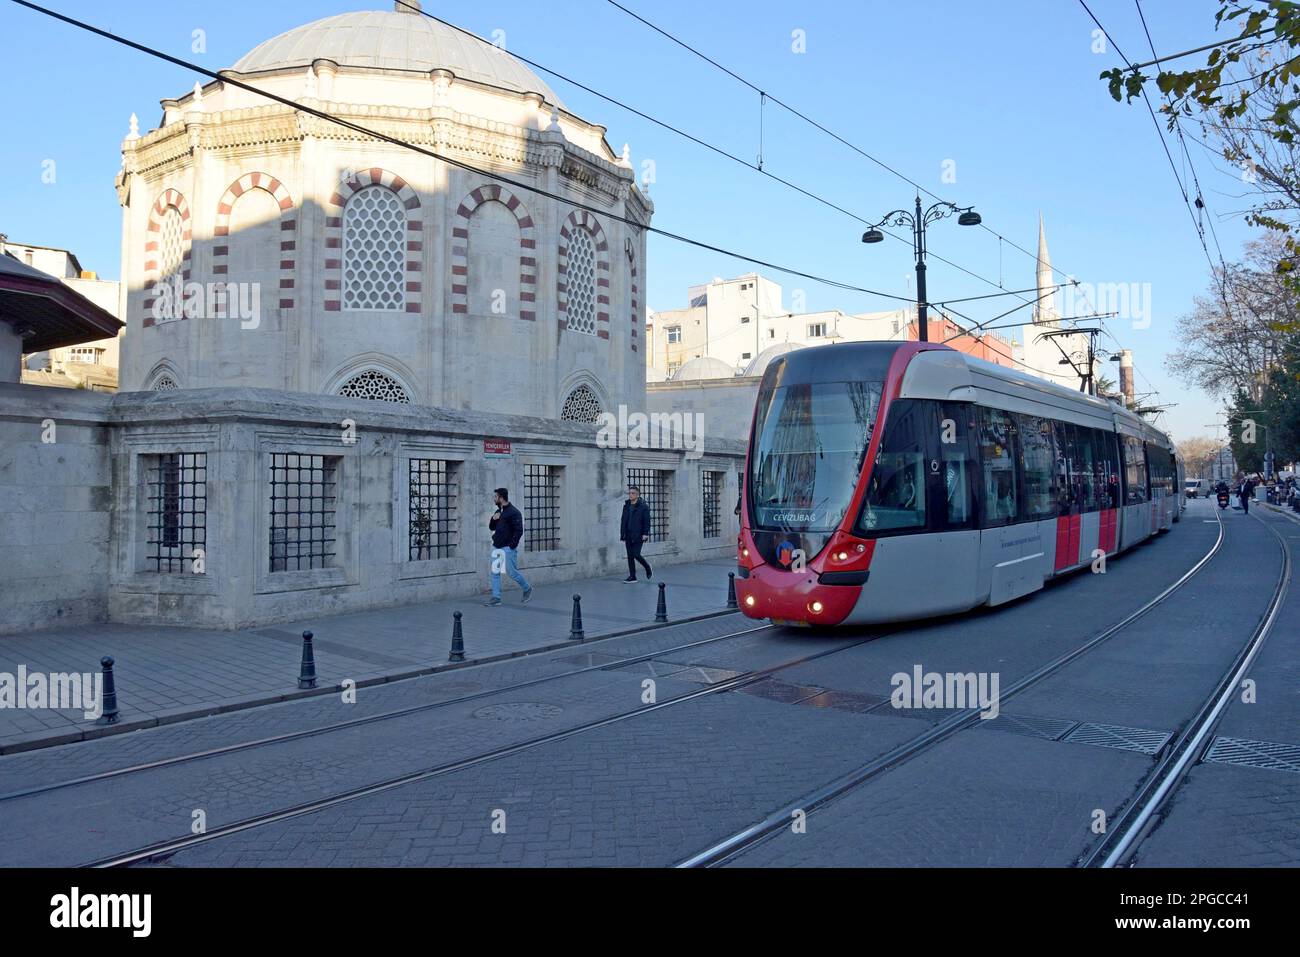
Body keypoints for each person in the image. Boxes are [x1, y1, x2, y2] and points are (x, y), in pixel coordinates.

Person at [484, 487, 532, 606]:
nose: (494, 499)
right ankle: (496, 598)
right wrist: (493, 519)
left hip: (508, 548)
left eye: (496, 497)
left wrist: (512, 546)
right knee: (495, 572)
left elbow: (519, 530)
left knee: (512, 573)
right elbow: (492, 527)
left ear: (501, 497)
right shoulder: (498, 511)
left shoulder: (514, 512)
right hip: (496, 547)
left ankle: (527, 588)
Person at [620, 485, 654, 583]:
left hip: (638, 534)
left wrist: (645, 533)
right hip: (628, 534)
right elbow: (623, 521)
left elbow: (646, 521)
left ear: (638, 494)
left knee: (636, 554)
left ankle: (647, 567)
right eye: (629, 493)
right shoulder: (626, 506)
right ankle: (632, 576)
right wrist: (622, 534)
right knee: (630, 556)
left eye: (633, 493)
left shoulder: (643, 507)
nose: (630, 495)